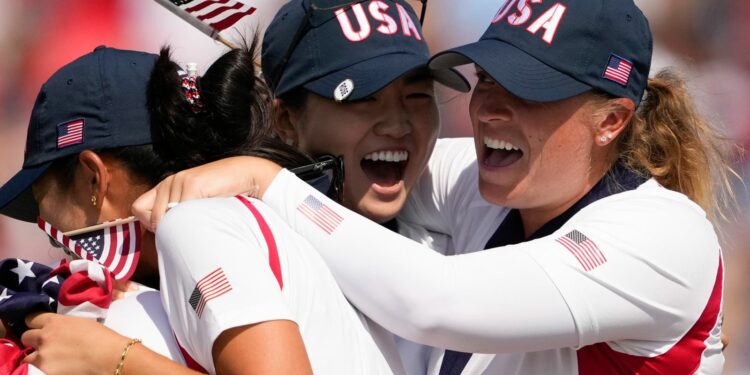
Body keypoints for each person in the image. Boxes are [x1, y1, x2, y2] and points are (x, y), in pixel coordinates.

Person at [133, 0, 739, 373]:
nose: (493, 110)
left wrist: (265, 181)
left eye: (530, 90)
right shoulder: (483, 180)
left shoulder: (664, 235)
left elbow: (432, 301)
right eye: (490, 79)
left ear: (611, 121)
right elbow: (342, 171)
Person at [0, 42, 399, 374]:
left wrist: (116, 359)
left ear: (93, 179)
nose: (48, 229)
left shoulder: (193, 225)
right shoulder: (224, 220)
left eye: (42, 204)